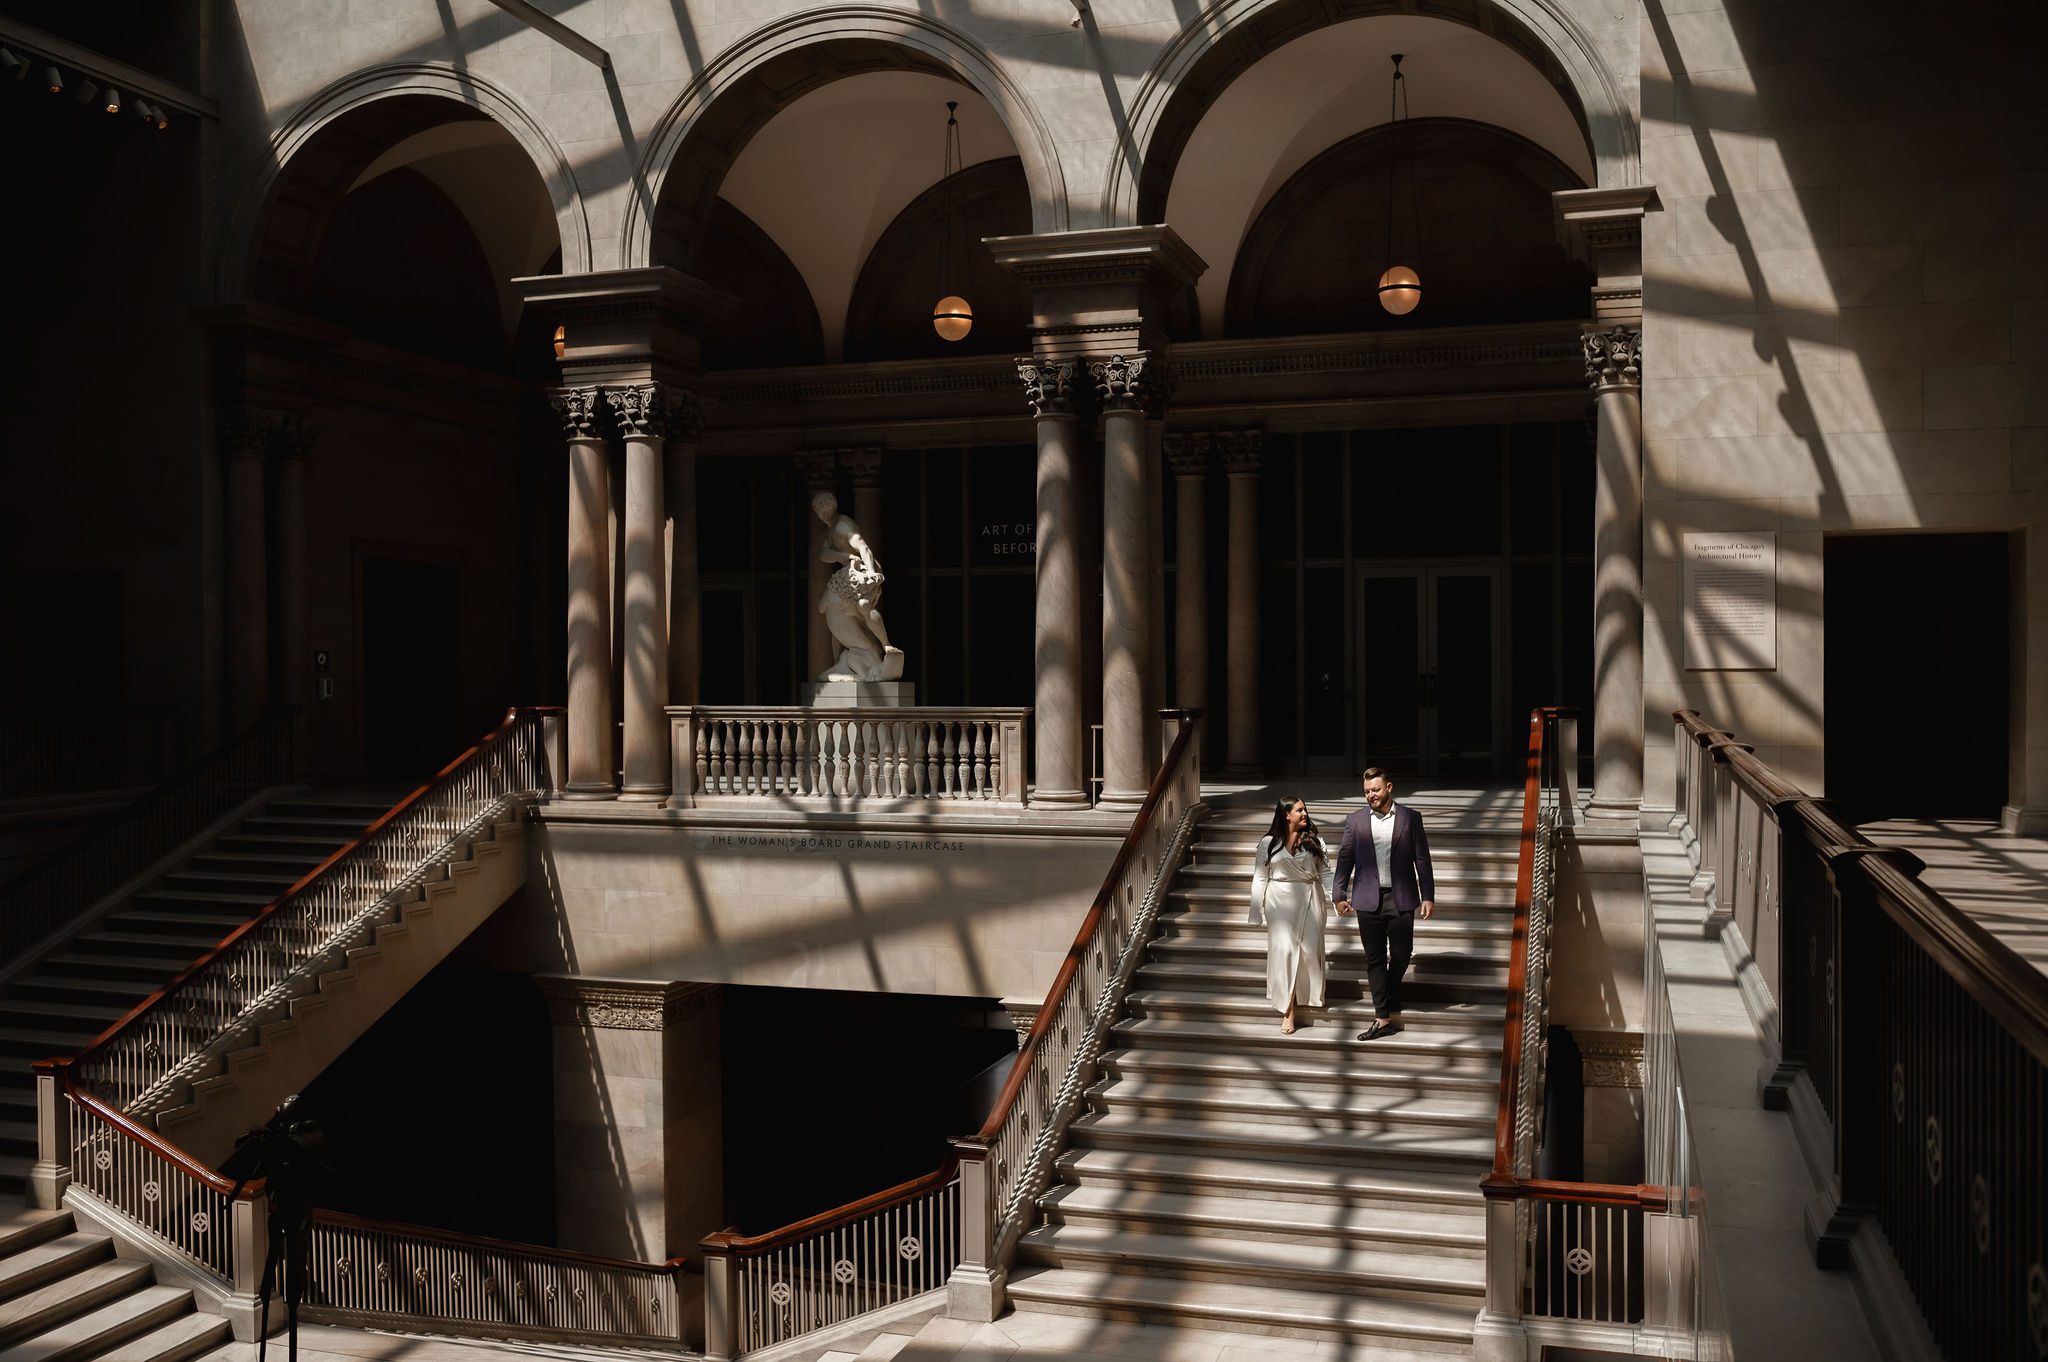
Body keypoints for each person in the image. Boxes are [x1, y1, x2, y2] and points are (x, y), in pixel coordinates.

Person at [1333, 767, 1435, 1041]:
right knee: (1374, 959)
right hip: (1367, 899)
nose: (1370, 796)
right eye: (1366, 791)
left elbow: (1422, 859)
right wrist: (1338, 894)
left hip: (1401, 896)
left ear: (1389, 787)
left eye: (1375, 790)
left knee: (1403, 953)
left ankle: (1388, 994)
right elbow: (1345, 859)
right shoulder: (1355, 821)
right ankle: (1382, 1017)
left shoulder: (1410, 818)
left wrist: (1428, 895)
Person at [1248, 797, 1332, 1034]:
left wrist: (1339, 898)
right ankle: (1288, 1011)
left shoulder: (1315, 841)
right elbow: (1260, 877)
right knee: (1285, 952)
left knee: (1309, 952)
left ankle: (1306, 995)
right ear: (1286, 814)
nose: (1304, 813)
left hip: (1310, 898)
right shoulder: (1268, 843)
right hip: (1279, 902)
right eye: (1299, 810)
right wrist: (1256, 911)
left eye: (1305, 809)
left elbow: (1326, 873)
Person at [811, 491, 903, 682]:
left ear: (834, 507)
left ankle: (886, 645)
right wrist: (843, 556)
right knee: (840, 610)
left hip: (864, 570)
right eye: (822, 512)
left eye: (828, 510)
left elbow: (864, 548)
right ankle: (848, 656)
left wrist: (870, 572)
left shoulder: (843, 524)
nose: (826, 515)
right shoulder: (830, 530)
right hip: (850, 572)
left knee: (863, 605)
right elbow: (824, 554)